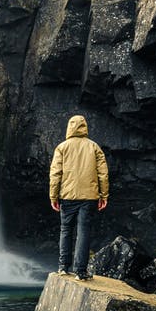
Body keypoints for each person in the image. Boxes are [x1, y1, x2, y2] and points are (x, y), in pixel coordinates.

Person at [49, 114, 109, 280]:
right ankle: (80, 272)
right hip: (89, 197)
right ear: (85, 127)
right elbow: (103, 174)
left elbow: (55, 174)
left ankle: (63, 267)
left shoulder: (62, 147)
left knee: (66, 230)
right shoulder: (94, 147)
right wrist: (103, 195)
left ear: (69, 127)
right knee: (83, 231)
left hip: (67, 196)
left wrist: (53, 196)